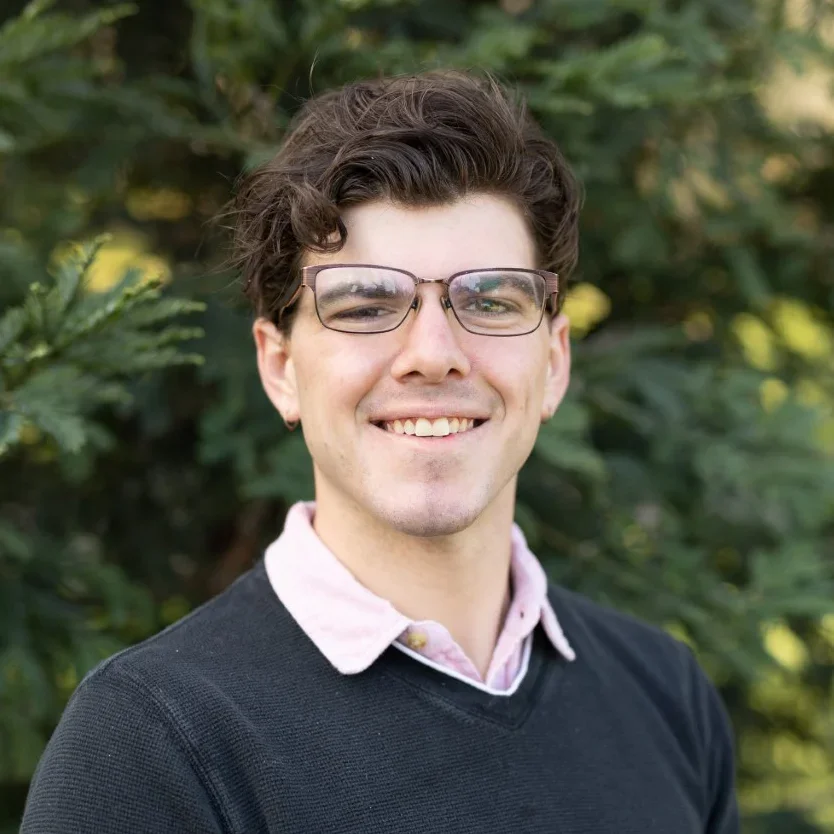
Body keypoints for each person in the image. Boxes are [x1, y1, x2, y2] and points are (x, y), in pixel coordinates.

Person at [21, 70, 739, 833]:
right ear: (281, 368)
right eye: (365, 305)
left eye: (490, 301)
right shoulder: (149, 745)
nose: (433, 354)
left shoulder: (667, 696)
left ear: (554, 362)